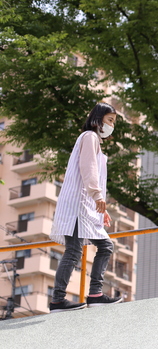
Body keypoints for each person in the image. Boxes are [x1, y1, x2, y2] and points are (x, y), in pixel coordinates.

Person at [49, 102, 123, 313]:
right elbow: (88, 168)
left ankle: (94, 294)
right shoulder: (89, 137)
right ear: (98, 119)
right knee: (75, 250)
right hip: (77, 206)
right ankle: (59, 300)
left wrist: (101, 207)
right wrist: (98, 196)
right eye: (109, 120)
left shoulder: (92, 140)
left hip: (84, 205)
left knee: (103, 246)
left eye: (113, 122)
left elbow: (92, 173)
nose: (111, 125)